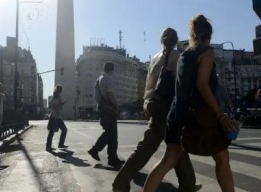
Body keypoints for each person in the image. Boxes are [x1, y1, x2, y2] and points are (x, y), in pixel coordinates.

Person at [143, 15, 237, 192]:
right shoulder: (207, 52)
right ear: (208, 35)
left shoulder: (183, 55)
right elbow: (202, 84)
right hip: (198, 117)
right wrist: (219, 114)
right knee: (222, 158)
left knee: (167, 161)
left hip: (176, 115)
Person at [113, 28, 200, 192]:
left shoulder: (154, 58)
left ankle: (188, 184)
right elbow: (180, 85)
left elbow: (148, 83)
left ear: (162, 40)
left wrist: (147, 102)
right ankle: (120, 183)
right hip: (167, 106)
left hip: (153, 103)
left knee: (175, 144)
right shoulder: (176, 56)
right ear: (175, 41)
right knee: (150, 147)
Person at [88, 62, 124, 168]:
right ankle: (96, 150)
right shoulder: (107, 79)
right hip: (109, 110)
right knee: (111, 134)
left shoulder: (99, 79)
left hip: (102, 109)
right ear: (112, 70)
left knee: (110, 134)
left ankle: (112, 158)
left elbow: (97, 97)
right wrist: (117, 106)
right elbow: (110, 95)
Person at [46, 84, 68, 150]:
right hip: (54, 117)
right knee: (51, 132)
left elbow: (53, 104)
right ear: (59, 90)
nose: (62, 91)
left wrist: (61, 103)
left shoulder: (57, 95)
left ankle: (61, 144)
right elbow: (54, 105)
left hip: (58, 117)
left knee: (64, 129)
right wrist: (61, 104)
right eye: (61, 89)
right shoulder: (56, 96)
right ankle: (48, 146)